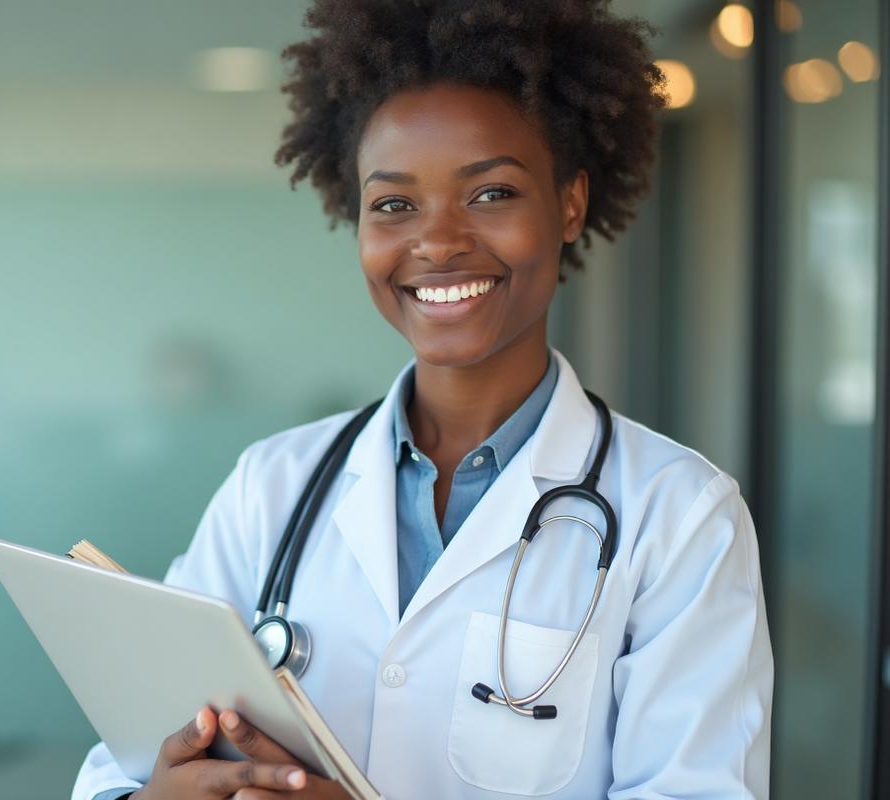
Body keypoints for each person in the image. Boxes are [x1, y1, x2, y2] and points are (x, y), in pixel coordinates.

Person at [73, 0, 773, 797]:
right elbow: (121, 764)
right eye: (395, 204)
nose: (436, 242)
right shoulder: (270, 487)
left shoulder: (679, 518)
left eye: (491, 193)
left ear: (571, 203)